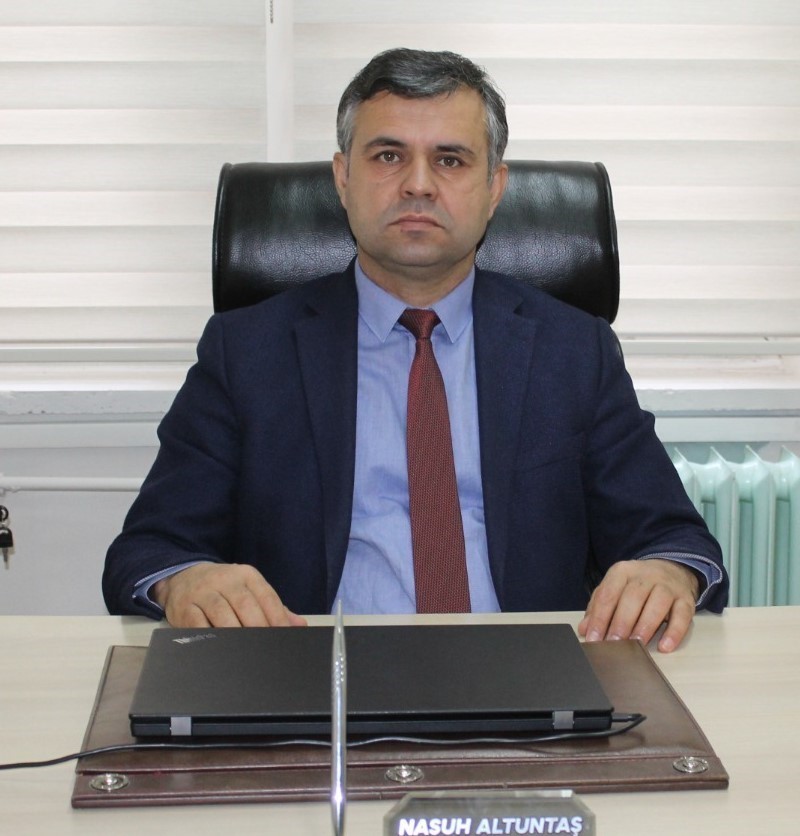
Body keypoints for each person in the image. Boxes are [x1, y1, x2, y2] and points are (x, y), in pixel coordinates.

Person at [103, 48, 727, 652]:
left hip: (527, 674)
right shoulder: (247, 353)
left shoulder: (573, 351)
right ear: (343, 177)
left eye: (450, 160)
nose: (418, 185)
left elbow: (671, 536)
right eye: (388, 156)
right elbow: (150, 549)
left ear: (495, 187)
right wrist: (187, 580)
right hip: (312, 676)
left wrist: (664, 572)